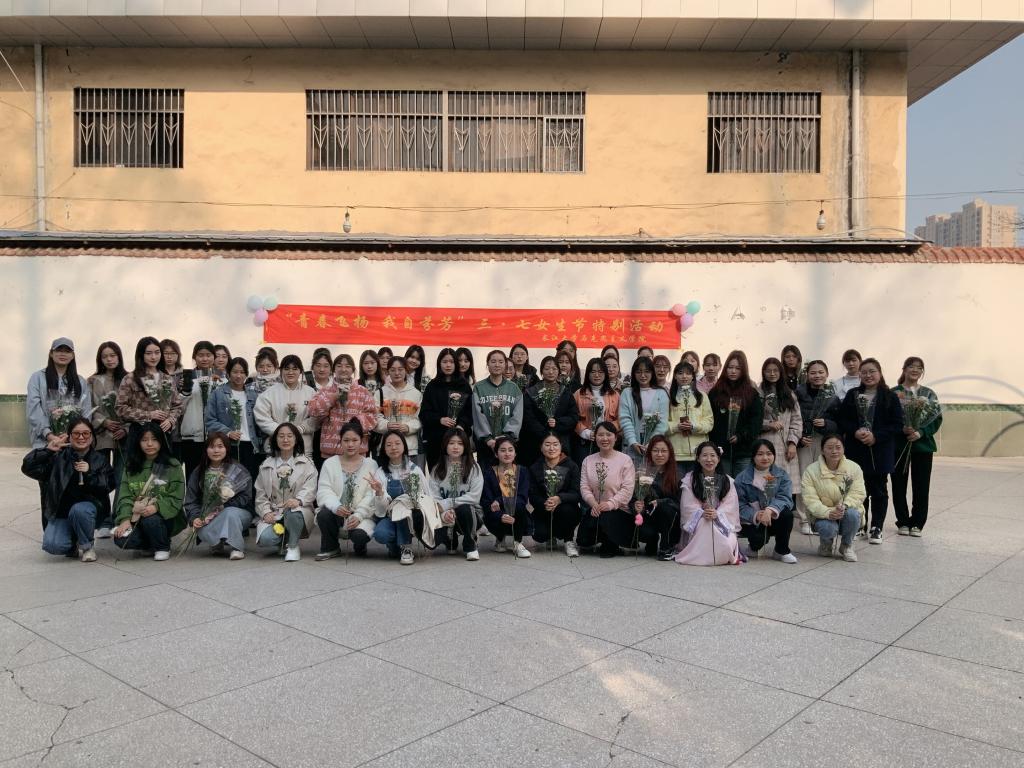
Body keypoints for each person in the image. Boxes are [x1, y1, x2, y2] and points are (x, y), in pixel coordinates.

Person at [21, 417, 115, 562]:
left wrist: (89, 474)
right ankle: (73, 541)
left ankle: (87, 546)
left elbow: (108, 485)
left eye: (86, 433)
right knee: (53, 545)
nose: (81, 437)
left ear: (92, 436)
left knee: (79, 510)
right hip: (62, 512)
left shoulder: (99, 459)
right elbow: (28, 467)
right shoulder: (58, 457)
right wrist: (47, 450)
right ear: (69, 436)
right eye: (76, 434)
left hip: (87, 511)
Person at [836, 358, 903, 544]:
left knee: (879, 490)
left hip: (880, 451)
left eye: (872, 371)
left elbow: (897, 424)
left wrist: (876, 436)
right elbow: (842, 420)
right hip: (856, 450)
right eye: (864, 372)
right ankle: (860, 524)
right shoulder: (853, 394)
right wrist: (855, 431)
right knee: (858, 488)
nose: (868, 375)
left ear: (880, 373)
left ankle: (877, 527)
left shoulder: (890, 397)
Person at [111, 422, 186, 561]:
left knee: (150, 520)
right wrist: (125, 520)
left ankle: (162, 546)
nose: (149, 444)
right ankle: (150, 544)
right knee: (121, 539)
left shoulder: (172, 464)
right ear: (138, 442)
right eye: (144, 440)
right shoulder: (131, 466)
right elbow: (124, 496)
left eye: (154, 439)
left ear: (161, 441)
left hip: (165, 517)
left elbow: (176, 496)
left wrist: (156, 507)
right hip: (137, 516)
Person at [370, 430, 442, 564]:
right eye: (389, 445)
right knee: (381, 533)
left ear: (404, 446)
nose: (393, 447)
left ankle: (406, 547)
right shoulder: (380, 473)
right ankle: (394, 547)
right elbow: (380, 511)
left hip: (411, 517)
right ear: (384, 449)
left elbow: (427, 495)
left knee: (403, 510)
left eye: (397, 443)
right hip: (389, 516)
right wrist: (379, 493)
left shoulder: (414, 470)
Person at [891, 356, 942, 537]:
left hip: (922, 447)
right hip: (899, 446)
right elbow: (887, 417)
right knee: (898, 485)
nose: (915, 370)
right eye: (911, 366)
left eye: (919, 368)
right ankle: (903, 522)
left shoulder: (928, 394)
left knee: (921, 486)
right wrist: (902, 429)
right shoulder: (894, 393)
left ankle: (918, 523)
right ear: (904, 369)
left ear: (922, 372)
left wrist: (921, 432)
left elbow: (936, 418)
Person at [315, 420, 379, 560]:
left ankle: (360, 545)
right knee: (324, 515)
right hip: (338, 512)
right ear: (340, 441)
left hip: (361, 514)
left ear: (361, 441)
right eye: (346, 440)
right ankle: (331, 547)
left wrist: (359, 514)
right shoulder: (330, 463)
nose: (350, 444)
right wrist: (336, 506)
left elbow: (372, 494)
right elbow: (324, 490)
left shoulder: (371, 464)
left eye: (355, 440)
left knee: (359, 536)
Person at [183, 432, 253, 560]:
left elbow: (246, 497)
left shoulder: (238, 469)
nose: (216, 450)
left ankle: (237, 548)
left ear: (227, 448)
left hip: (238, 514)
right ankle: (218, 542)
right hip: (209, 515)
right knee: (202, 531)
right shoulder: (199, 472)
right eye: (212, 447)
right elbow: (191, 500)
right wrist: (195, 517)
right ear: (206, 449)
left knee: (229, 513)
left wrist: (223, 506)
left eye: (220, 446)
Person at [254, 422, 317, 561]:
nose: (285, 440)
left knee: (293, 513)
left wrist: (298, 500)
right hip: (275, 512)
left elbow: (310, 489)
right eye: (281, 436)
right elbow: (260, 494)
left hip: (298, 510)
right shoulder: (266, 465)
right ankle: (284, 540)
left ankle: (293, 546)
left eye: (290, 436)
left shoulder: (307, 463)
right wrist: (266, 512)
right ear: (275, 439)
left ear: (296, 439)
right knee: (266, 539)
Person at [801, 433, 866, 562]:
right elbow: (810, 499)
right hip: (823, 515)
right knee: (827, 527)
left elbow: (858, 493)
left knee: (853, 515)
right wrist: (828, 513)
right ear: (822, 450)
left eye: (838, 447)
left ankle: (846, 545)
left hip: (845, 510)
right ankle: (826, 544)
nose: (834, 451)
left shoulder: (854, 468)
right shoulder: (811, 471)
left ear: (843, 449)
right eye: (829, 448)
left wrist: (844, 506)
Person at [674, 441, 741, 566]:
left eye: (712, 455)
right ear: (698, 458)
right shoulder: (690, 480)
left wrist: (717, 514)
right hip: (700, 520)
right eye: (704, 455)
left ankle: (721, 554)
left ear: (718, 458)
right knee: (705, 523)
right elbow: (688, 505)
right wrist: (701, 513)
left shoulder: (727, 481)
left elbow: (730, 506)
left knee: (726, 543)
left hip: (721, 520)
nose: (709, 459)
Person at [578, 421, 635, 558]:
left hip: (618, 510)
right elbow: (584, 487)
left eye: (608, 435)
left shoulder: (625, 460)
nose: (604, 438)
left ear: (615, 437)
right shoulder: (588, 460)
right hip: (596, 508)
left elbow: (627, 489)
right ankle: (604, 539)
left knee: (608, 519)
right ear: (595, 437)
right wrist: (594, 504)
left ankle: (612, 544)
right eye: (600, 435)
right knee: (583, 541)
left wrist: (610, 504)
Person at [734, 440, 797, 563]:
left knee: (787, 515)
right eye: (760, 454)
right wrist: (756, 515)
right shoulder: (742, 478)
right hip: (753, 521)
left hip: (774, 517)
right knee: (758, 539)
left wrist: (770, 510)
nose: (765, 458)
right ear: (753, 456)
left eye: (769, 453)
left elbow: (785, 498)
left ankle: (781, 551)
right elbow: (739, 505)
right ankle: (753, 546)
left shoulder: (781, 475)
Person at [795, 360, 840, 534]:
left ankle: (820, 517)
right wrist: (800, 437)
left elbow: (839, 423)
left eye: (821, 372)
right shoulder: (798, 394)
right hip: (805, 442)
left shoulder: (832, 396)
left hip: (824, 442)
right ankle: (805, 519)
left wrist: (826, 423)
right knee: (805, 478)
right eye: (813, 372)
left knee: (823, 479)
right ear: (807, 375)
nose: (817, 376)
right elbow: (793, 418)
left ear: (827, 374)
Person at [88, 341, 127, 537]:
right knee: (101, 479)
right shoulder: (93, 380)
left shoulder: (128, 379)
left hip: (123, 435)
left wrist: (125, 427)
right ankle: (102, 520)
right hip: (101, 435)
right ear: (100, 359)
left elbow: (134, 406)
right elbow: (89, 408)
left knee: (121, 477)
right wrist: (103, 421)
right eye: (105, 356)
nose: (109, 359)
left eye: (113, 355)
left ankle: (119, 516)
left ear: (119, 357)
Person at [27, 337, 92, 454]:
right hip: (44, 442)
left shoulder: (81, 381)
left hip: (73, 442)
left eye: (67, 351)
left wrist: (72, 434)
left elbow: (86, 411)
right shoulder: (37, 378)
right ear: (51, 353)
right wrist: (49, 435)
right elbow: (34, 409)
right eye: (59, 350)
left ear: (72, 355)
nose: (63, 354)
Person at [116, 336, 185, 445]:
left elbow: (178, 405)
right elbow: (120, 408)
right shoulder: (130, 378)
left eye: (157, 352)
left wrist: (170, 420)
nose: (154, 357)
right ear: (141, 355)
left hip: (163, 433)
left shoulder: (167, 378)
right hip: (139, 433)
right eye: (148, 353)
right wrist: (148, 415)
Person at [428, 427, 484, 561]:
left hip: (470, 514)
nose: (455, 447)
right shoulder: (437, 469)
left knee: (464, 508)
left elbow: (474, 497)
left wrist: (450, 503)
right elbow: (433, 498)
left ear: (465, 446)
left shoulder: (473, 468)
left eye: (460, 443)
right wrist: (444, 513)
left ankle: (470, 545)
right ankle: (450, 538)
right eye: (451, 443)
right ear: (445, 445)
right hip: (445, 514)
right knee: (435, 542)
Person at [308, 353, 379, 459]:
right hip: (330, 452)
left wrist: (355, 422)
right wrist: (334, 396)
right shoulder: (325, 391)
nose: (343, 369)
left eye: (347, 366)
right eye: (339, 366)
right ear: (334, 370)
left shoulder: (363, 391)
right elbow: (313, 410)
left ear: (353, 370)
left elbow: (373, 416)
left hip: (357, 451)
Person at [205, 357, 262, 482]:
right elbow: (209, 420)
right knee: (228, 483)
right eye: (235, 372)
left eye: (242, 372)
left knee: (250, 482)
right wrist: (228, 432)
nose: (238, 375)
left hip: (251, 445)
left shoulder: (253, 395)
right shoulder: (218, 394)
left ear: (246, 374)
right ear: (228, 373)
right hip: (229, 445)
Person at [708, 350, 763, 476]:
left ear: (743, 370)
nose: (733, 371)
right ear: (725, 369)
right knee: (724, 484)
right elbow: (710, 419)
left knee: (742, 485)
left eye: (738, 368)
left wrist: (741, 436)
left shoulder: (751, 393)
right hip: (721, 451)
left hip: (744, 451)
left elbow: (756, 421)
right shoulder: (715, 392)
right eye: (730, 367)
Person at [758, 357, 803, 506]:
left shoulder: (789, 394)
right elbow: (751, 421)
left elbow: (797, 420)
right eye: (768, 371)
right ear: (763, 372)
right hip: (765, 444)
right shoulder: (758, 393)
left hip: (785, 447)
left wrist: (792, 443)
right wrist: (768, 424)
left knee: (785, 488)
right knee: (766, 486)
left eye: (775, 370)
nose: (772, 374)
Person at [528, 432, 582, 556]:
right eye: (547, 445)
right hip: (544, 509)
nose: (551, 448)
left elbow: (576, 493)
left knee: (568, 511)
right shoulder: (535, 467)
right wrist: (545, 502)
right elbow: (533, 495)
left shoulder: (571, 466)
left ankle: (568, 540)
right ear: (541, 447)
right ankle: (550, 536)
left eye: (555, 444)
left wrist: (559, 498)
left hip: (566, 508)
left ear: (561, 446)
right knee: (539, 535)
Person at [522, 355, 580, 467]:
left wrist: (557, 422)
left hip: (560, 443)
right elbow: (528, 417)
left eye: (554, 368)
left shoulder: (565, 392)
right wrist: (544, 433)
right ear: (541, 371)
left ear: (559, 371)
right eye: (547, 369)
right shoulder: (531, 392)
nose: (551, 372)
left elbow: (573, 416)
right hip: (536, 442)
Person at [421, 348, 474, 469]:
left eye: (451, 362)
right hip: (436, 441)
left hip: (458, 440)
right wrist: (440, 419)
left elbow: (470, 412)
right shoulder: (432, 386)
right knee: (437, 473)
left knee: (459, 474)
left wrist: (461, 425)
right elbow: (424, 414)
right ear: (439, 364)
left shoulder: (464, 385)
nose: (448, 365)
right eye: (445, 362)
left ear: (456, 364)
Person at [253, 354, 317, 454]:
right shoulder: (270, 393)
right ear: (281, 370)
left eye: (295, 369)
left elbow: (317, 417)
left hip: (303, 448)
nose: (290, 372)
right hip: (277, 448)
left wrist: (301, 428)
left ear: (300, 371)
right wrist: (281, 432)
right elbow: (261, 417)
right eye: (286, 369)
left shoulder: (311, 392)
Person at [632, 435, 682, 560]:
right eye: (655, 450)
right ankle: (652, 540)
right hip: (649, 515)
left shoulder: (678, 474)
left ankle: (666, 546)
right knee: (643, 529)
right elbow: (633, 500)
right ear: (649, 452)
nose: (659, 454)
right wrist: (637, 506)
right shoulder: (642, 473)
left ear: (670, 453)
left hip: (670, 519)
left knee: (666, 508)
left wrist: (661, 502)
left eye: (664, 451)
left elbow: (680, 504)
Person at [481, 436, 531, 558]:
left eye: (510, 450)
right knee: (492, 512)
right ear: (496, 454)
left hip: (516, 512)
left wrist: (500, 500)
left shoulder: (522, 471)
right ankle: (500, 538)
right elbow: (487, 501)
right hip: (496, 514)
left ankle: (518, 542)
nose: (507, 454)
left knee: (519, 506)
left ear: (515, 453)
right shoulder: (488, 473)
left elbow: (522, 498)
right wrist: (500, 515)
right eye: (503, 450)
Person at [472, 349, 524, 468]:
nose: (497, 365)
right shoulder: (479, 387)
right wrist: (488, 439)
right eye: (493, 361)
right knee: (486, 475)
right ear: (487, 364)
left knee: (507, 476)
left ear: (505, 364)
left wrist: (506, 437)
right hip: (485, 445)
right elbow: (477, 415)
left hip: (507, 445)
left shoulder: (514, 388)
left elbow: (517, 415)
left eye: (501, 362)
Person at [178, 341, 221, 474]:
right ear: (194, 357)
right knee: (193, 475)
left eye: (208, 355)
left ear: (214, 357)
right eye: (201, 355)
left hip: (215, 437)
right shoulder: (187, 378)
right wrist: (186, 390)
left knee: (215, 475)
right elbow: (179, 407)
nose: (204, 359)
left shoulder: (221, 378)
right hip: (192, 437)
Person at [620, 356, 670, 468]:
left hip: (654, 448)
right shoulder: (627, 393)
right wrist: (633, 441)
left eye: (647, 371)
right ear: (634, 373)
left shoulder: (662, 393)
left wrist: (651, 443)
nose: (643, 375)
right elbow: (625, 419)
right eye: (639, 372)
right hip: (631, 446)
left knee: (650, 477)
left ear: (652, 372)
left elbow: (663, 423)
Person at [665, 361, 713, 476]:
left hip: (698, 454)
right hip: (676, 454)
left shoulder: (702, 396)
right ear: (675, 376)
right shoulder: (668, 397)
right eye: (680, 373)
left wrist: (693, 426)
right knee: (678, 486)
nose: (684, 376)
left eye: (688, 373)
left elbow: (709, 423)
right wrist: (676, 427)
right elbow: (662, 424)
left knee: (698, 485)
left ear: (693, 376)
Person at [375, 356, 424, 468]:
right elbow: (374, 418)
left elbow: (420, 419)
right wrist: (387, 425)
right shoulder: (380, 393)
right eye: (392, 370)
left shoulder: (416, 394)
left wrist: (408, 427)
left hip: (410, 448)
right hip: (387, 448)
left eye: (400, 369)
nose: (397, 373)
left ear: (406, 370)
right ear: (388, 371)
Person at [574, 357, 621, 464]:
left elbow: (620, 419)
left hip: (607, 441)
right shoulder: (578, 394)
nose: (597, 375)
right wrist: (585, 432)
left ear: (605, 374)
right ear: (588, 374)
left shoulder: (614, 395)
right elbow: (573, 417)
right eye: (593, 372)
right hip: (585, 442)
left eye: (600, 372)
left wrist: (607, 431)